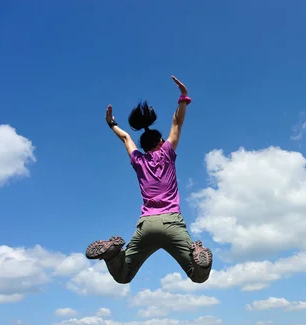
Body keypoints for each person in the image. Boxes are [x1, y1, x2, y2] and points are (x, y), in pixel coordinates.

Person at [85, 76, 213, 284]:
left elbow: (126, 138)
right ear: (161, 142)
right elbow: (177, 122)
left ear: (143, 147)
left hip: (147, 225)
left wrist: (111, 123)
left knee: (123, 275)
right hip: (173, 222)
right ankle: (197, 253)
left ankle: (113, 253)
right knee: (198, 275)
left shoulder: (138, 161)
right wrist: (183, 97)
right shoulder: (167, 153)